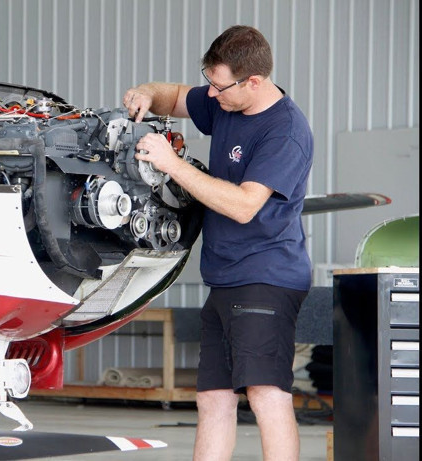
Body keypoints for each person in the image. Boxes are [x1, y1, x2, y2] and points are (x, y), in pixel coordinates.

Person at [122, 25, 313, 461]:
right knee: (213, 398)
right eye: (208, 80)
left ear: (254, 82)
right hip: (225, 277)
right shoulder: (225, 101)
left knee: (267, 393)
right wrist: (145, 93)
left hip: (267, 276)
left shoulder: (285, 132)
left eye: (218, 85)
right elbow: (171, 95)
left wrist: (171, 164)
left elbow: (246, 205)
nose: (210, 94)